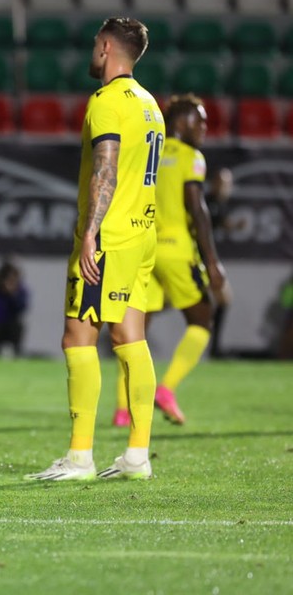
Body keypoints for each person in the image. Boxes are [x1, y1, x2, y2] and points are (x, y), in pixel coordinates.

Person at [27, 18, 163, 481]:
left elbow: (105, 165)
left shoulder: (105, 102)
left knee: (77, 336)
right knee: (131, 337)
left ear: (106, 48)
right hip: (143, 234)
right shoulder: (150, 105)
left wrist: (90, 231)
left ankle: (80, 457)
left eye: (93, 45)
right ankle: (137, 455)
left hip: (109, 236)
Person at [112, 94, 228, 427]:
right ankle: (166, 389)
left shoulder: (148, 155)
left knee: (134, 332)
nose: (204, 127)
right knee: (202, 320)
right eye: (199, 120)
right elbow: (197, 210)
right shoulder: (191, 157)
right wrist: (213, 261)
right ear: (179, 123)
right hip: (177, 251)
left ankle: (123, 410)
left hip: (146, 249)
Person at [205, 167, 237, 358]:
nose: (226, 187)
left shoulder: (219, 204)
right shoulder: (206, 201)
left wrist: (232, 225)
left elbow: (218, 223)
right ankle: (214, 349)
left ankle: (215, 348)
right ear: (214, 183)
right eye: (223, 182)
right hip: (199, 260)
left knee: (223, 300)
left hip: (206, 260)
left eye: (229, 183)